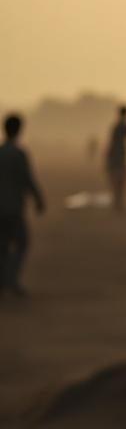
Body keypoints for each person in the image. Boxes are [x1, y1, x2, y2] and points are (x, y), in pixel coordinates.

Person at [0, 114, 45, 298]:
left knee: (2, 246)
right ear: (19, 130)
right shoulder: (18, 154)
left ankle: (5, 280)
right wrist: (38, 199)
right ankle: (11, 279)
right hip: (13, 207)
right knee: (22, 243)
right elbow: (27, 179)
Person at [105, 106, 126, 211]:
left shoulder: (117, 126)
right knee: (119, 180)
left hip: (117, 156)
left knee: (118, 180)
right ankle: (118, 203)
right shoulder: (121, 126)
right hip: (118, 157)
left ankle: (118, 203)